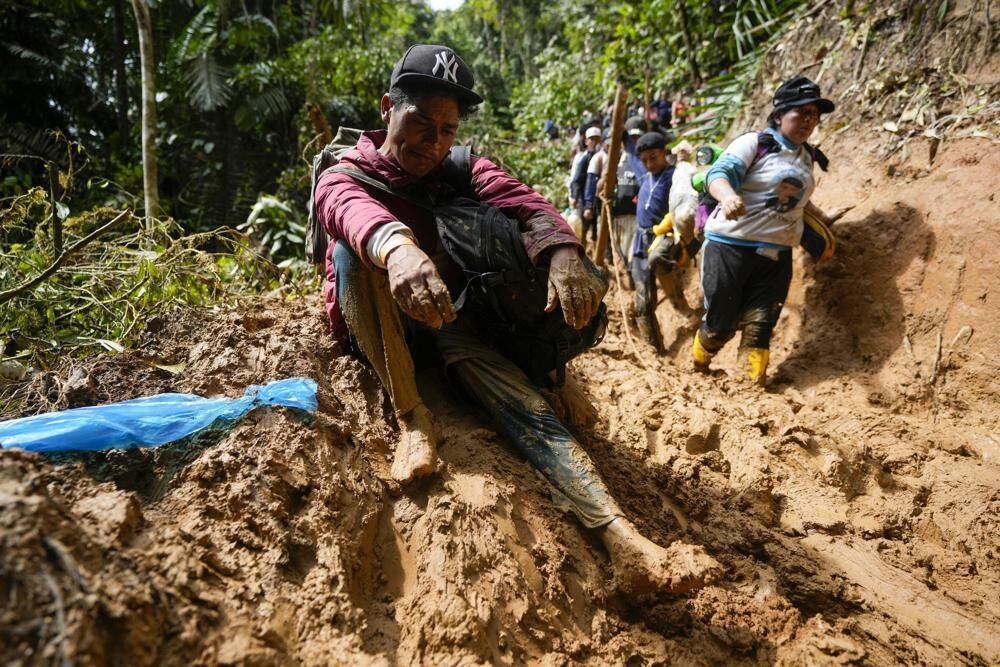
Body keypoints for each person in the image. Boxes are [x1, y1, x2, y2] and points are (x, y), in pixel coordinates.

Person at [314, 44, 719, 593]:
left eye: (447, 130)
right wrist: (398, 249)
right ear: (389, 107)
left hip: (450, 321)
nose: (433, 143)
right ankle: (412, 415)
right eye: (420, 124)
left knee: (529, 406)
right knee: (350, 253)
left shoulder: (459, 167)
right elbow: (349, 211)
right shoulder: (346, 174)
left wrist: (561, 251)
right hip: (384, 324)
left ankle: (624, 539)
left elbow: (522, 199)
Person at [694, 75, 843, 385]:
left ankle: (750, 389)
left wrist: (823, 218)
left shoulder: (807, 157)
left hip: (776, 256)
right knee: (719, 326)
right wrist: (729, 196)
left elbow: (799, 201)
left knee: (760, 324)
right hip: (729, 247)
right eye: (801, 113)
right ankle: (700, 362)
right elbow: (717, 175)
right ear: (779, 115)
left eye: (814, 114)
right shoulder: (755, 143)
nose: (809, 120)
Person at [624, 131, 675, 350]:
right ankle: (653, 348)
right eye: (644, 160)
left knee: (669, 284)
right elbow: (629, 149)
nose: (648, 163)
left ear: (665, 153)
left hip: (663, 240)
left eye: (653, 157)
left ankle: (685, 312)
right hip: (640, 242)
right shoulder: (645, 176)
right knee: (643, 299)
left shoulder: (675, 176)